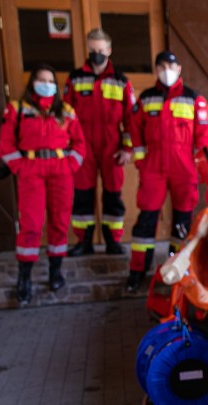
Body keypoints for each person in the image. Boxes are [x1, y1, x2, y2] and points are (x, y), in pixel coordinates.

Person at [0, 64, 86, 304]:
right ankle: (24, 277)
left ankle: (55, 272)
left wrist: (70, 166)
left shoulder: (65, 110)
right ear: (33, 82)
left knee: (59, 222)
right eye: (41, 79)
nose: (46, 84)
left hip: (60, 171)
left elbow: (79, 145)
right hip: (31, 172)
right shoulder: (17, 109)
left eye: (50, 80)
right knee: (31, 225)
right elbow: (5, 146)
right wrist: (21, 167)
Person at [126, 50, 208, 292]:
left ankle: (177, 268)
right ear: (156, 70)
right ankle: (137, 271)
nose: (166, 71)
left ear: (179, 69)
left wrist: (197, 165)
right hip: (153, 168)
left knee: (182, 222)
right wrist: (142, 162)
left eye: (170, 66)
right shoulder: (146, 99)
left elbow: (202, 138)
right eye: (161, 66)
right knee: (146, 220)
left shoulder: (195, 99)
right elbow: (135, 131)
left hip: (183, 168)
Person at [64, 28, 135, 256]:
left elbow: (131, 120)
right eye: (93, 50)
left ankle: (113, 241)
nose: (97, 54)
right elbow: (65, 115)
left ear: (109, 50)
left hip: (111, 147)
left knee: (113, 194)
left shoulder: (121, 82)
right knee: (82, 195)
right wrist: (69, 146)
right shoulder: (75, 79)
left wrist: (127, 148)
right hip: (82, 147)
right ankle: (83, 242)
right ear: (88, 49)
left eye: (101, 50)